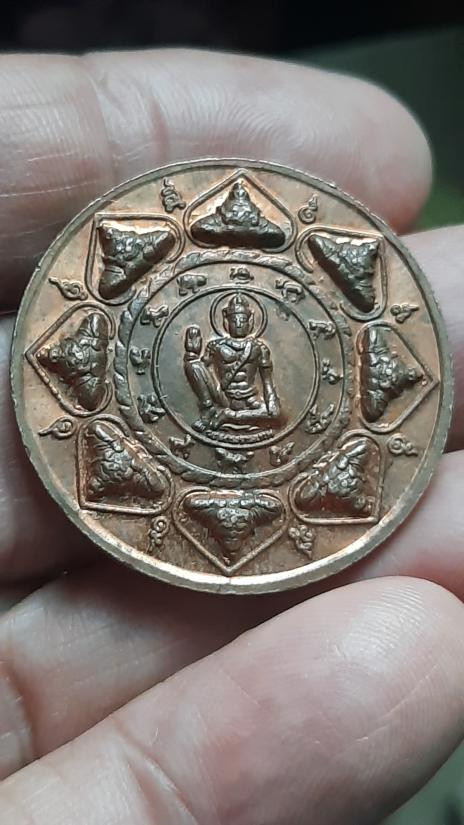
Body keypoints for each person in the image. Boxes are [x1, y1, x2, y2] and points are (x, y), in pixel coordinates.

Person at [0, 47, 463, 825]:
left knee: (259, 411)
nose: (241, 322)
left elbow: (271, 390)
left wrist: (254, 394)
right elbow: (210, 382)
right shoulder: (212, 342)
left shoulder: (258, 343)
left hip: (258, 421)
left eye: (247, 316)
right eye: (235, 316)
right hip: (218, 416)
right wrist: (195, 361)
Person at [184, 292, 281, 434]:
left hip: (250, 399)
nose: (239, 324)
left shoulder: (260, 348)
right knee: (192, 365)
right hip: (223, 396)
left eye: (243, 320)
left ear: (250, 321)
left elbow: (267, 381)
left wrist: (271, 401)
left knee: (274, 413)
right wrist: (192, 353)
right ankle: (209, 409)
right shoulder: (215, 345)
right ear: (226, 321)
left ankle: (230, 416)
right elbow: (202, 372)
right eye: (234, 321)